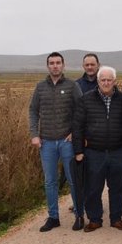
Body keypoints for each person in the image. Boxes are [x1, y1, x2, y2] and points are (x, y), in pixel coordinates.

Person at [28, 52, 84, 232]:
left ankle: (79, 215)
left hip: (67, 141)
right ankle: (53, 217)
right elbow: (33, 111)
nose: (55, 66)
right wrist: (34, 134)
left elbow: (81, 111)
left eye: (58, 63)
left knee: (73, 179)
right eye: (51, 63)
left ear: (63, 65)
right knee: (50, 181)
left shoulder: (72, 86)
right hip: (47, 143)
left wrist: (75, 133)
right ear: (48, 66)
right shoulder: (40, 87)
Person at [73, 66, 122, 232]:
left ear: (114, 81)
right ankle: (95, 219)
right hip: (94, 152)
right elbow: (77, 127)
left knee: (118, 188)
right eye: (103, 80)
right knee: (93, 188)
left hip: (118, 151)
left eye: (109, 80)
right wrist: (78, 152)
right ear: (98, 81)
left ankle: (116, 219)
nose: (106, 83)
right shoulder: (85, 99)